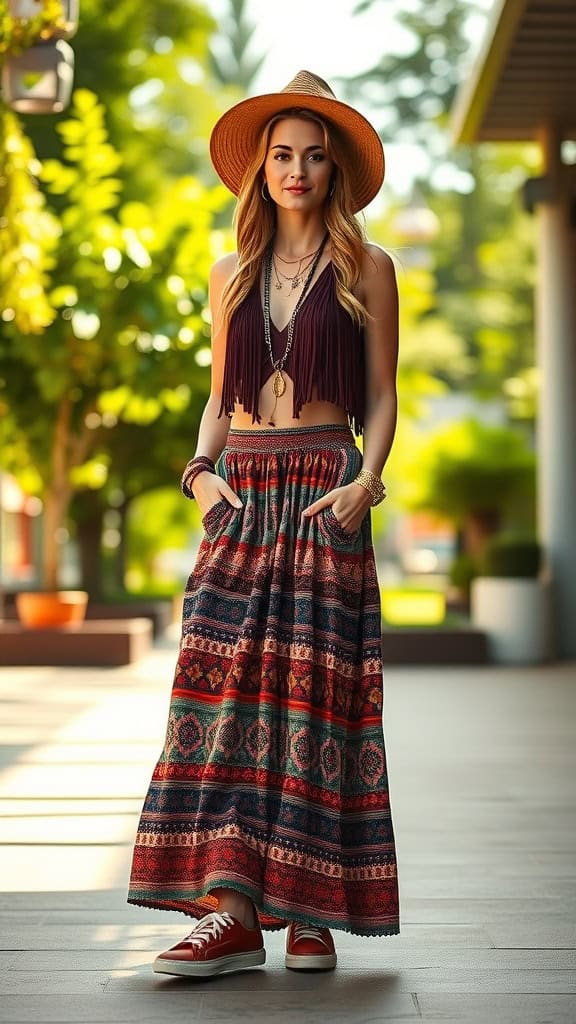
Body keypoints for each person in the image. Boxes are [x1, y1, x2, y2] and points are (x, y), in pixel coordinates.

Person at [127, 70, 400, 978]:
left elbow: (385, 394)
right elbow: (217, 401)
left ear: (336, 173)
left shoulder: (369, 269)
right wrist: (199, 472)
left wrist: (367, 482)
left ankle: (311, 912)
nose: (297, 169)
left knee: (316, 702)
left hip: (325, 487)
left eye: (315, 157)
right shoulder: (228, 274)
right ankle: (232, 910)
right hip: (240, 492)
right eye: (283, 154)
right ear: (261, 167)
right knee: (219, 697)